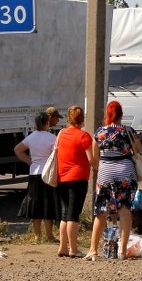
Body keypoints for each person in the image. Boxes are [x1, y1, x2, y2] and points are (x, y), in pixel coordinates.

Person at [83, 101, 141, 261]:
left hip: (105, 173)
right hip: (125, 173)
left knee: (101, 212)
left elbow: (95, 159)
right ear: (121, 114)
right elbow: (138, 150)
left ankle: (93, 250)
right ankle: (122, 251)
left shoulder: (99, 132)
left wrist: (101, 170)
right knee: (124, 211)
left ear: (107, 115)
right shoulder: (128, 131)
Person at [14, 110, 60, 243]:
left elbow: (17, 149)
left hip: (34, 172)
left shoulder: (31, 137)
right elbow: (56, 153)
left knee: (35, 203)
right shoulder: (52, 138)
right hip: (47, 174)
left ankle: (37, 235)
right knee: (47, 203)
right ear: (47, 122)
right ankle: (50, 235)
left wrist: (28, 160)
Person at [54, 105, 93, 257]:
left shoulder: (61, 133)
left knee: (65, 214)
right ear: (82, 119)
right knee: (73, 215)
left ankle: (63, 247)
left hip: (61, 177)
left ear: (68, 119)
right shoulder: (84, 136)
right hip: (78, 178)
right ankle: (73, 249)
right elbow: (90, 159)